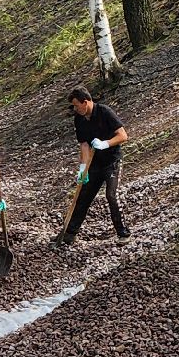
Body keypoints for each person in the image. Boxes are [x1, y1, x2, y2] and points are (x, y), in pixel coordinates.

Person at [52, 86, 129, 244]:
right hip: (94, 164)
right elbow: (84, 145)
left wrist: (105, 144)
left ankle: (123, 233)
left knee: (111, 195)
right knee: (83, 195)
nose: (75, 109)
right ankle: (69, 233)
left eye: (76, 105)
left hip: (112, 161)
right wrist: (83, 169)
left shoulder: (104, 112)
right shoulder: (79, 119)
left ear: (85, 102)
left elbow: (123, 135)